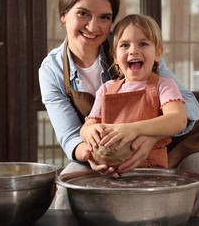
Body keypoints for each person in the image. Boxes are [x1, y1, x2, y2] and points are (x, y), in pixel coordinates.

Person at [38, 0, 199, 225]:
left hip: (176, 143)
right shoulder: (51, 70)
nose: (93, 26)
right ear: (63, 15)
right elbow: (71, 135)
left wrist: (146, 135)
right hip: (109, 152)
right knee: (68, 183)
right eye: (83, 13)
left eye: (104, 17)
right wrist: (95, 154)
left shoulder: (133, 48)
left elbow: (188, 106)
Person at [80, 14, 187, 170]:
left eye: (143, 44)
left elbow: (178, 120)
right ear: (115, 57)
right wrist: (89, 131)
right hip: (112, 174)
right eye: (124, 45)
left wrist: (133, 129)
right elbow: (88, 126)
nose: (133, 51)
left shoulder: (163, 86)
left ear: (158, 54)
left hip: (151, 175)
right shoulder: (106, 89)